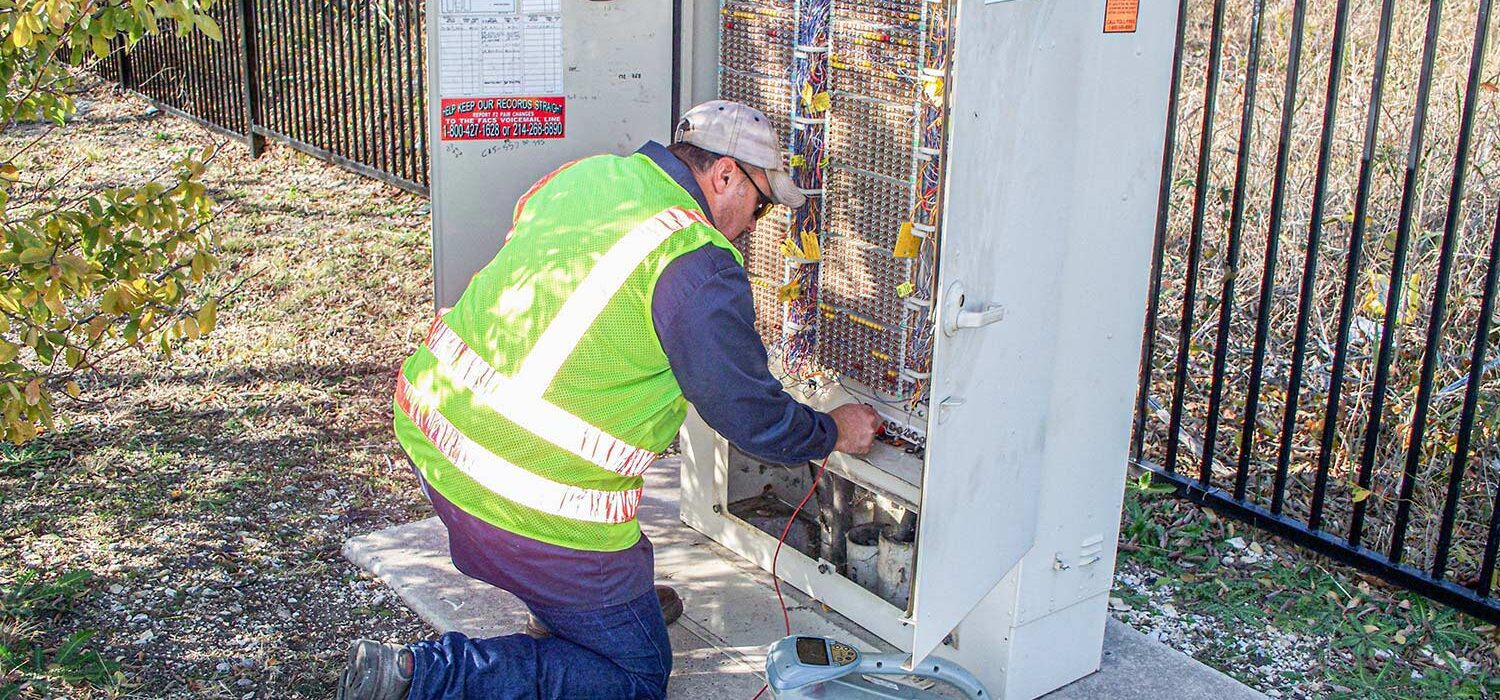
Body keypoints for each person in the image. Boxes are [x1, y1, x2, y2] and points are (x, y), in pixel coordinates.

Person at [337, 100, 883, 700]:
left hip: (434, 437)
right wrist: (833, 430)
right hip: (525, 503)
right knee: (634, 678)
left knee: (609, 601)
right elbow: (749, 416)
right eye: (761, 202)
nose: (757, 222)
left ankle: (571, 610)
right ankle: (425, 677)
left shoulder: (590, 175)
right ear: (724, 174)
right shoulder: (697, 260)